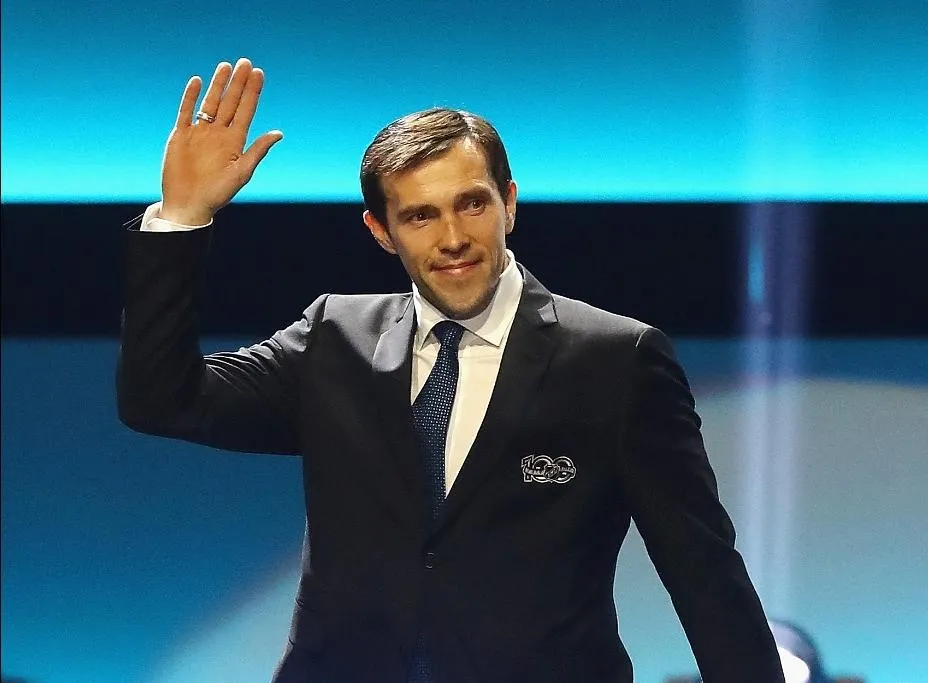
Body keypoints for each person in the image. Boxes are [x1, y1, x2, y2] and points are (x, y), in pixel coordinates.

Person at [117, 58, 785, 683]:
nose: (454, 238)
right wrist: (182, 218)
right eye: (420, 216)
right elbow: (162, 400)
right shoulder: (333, 340)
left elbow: (703, 570)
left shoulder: (616, 360)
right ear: (381, 231)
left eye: (472, 204)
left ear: (509, 203)